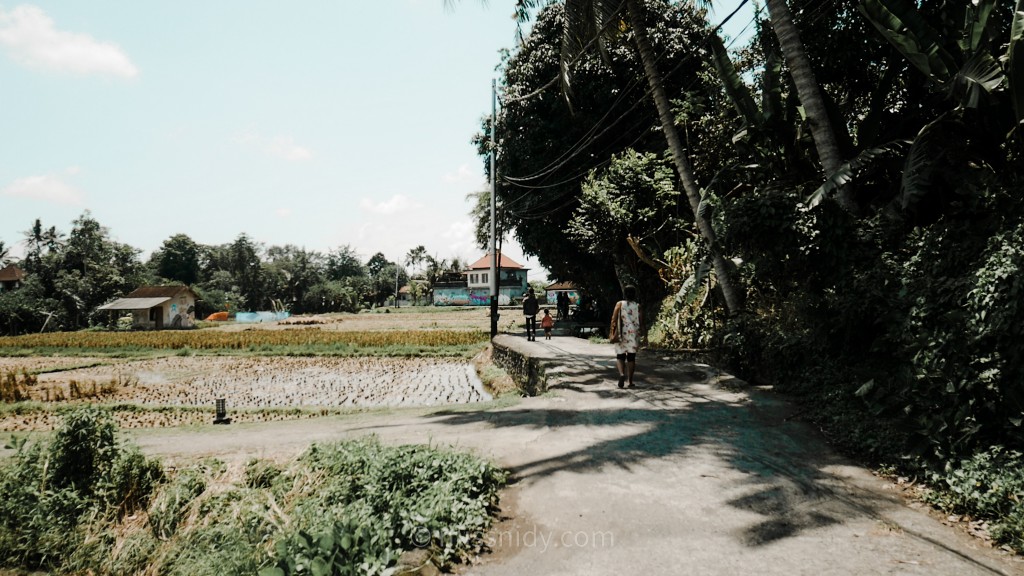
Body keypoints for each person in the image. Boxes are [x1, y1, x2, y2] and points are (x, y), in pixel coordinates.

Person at [608, 285, 642, 388]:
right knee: (631, 357)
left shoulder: (620, 304)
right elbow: (642, 321)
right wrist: (644, 334)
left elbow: (614, 319)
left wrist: (612, 331)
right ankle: (630, 381)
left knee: (620, 355)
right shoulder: (638, 306)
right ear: (635, 294)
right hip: (633, 334)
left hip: (621, 333)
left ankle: (622, 374)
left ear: (625, 294)